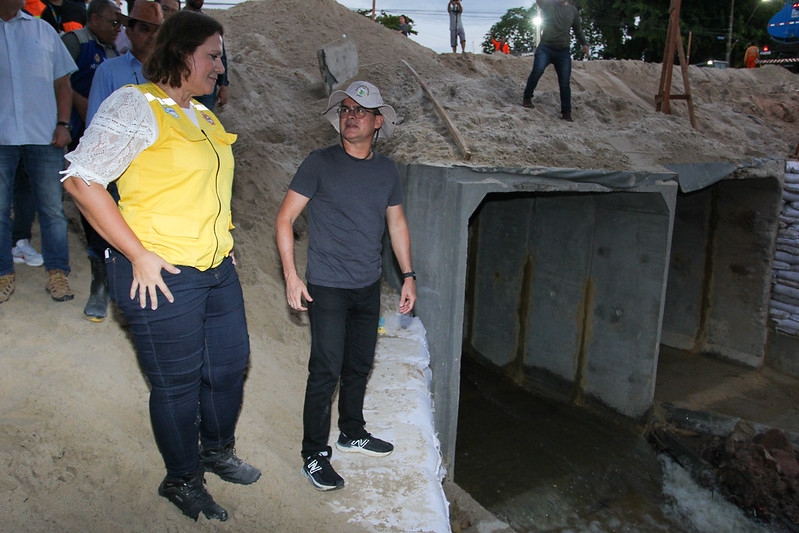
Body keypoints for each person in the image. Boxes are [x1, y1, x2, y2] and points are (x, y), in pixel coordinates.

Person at [61, 10, 260, 521]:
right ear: (182, 51)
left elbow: (205, 185)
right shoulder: (135, 104)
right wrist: (137, 254)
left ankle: (215, 450)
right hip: (161, 273)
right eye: (213, 56)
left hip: (215, 266)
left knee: (229, 366)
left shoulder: (203, 114)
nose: (221, 67)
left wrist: (221, 235)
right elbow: (82, 181)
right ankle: (182, 478)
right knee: (177, 383)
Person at [276, 81, 416, 491]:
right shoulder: (319, 163)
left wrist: (408, 275)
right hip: (328, 285)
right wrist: (291, 274)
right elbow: (285, 218)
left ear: (377, 122)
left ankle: (351, 430)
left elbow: (397, 224)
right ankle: (314, 454)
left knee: (359, 364)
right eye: (345, 109)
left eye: (360, 110)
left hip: (367, 284)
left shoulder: (386, 170)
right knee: (325, 370)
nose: (350, 116)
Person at [0, 0, 77, 304]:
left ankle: (57, 273)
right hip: (2, 138)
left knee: (52, 210)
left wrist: (63, 124)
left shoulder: (44, 31)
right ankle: (4, 273)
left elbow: (63, 83)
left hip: (44, 135)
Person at [522, 0, 589, 122]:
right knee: (537, 70)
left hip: (563, 52)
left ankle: (566, 112)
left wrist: (584, 43)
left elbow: (578, 30)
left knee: (564, 83)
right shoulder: (548, 5)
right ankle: (527, 98)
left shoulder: (572, 11)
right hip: (545, 48)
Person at [183, 0, 228, 111]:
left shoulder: (209, 26)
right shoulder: (178, 23)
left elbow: (220, 56)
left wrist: (223, 85)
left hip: (206, 86)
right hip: (184, 84)